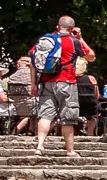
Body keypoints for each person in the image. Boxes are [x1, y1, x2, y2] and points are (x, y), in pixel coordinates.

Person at [32, 16, 95, 157]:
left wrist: (34, 84)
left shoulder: (45, 41)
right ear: (72, 29)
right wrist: (80, 38)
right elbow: (91, 56)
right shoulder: (73, 41)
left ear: (57, 27)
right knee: (68, 116)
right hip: (66, 82)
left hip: (46, 82)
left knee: (45, 115)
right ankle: (70, 150)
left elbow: (33, 61)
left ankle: (40, 146)